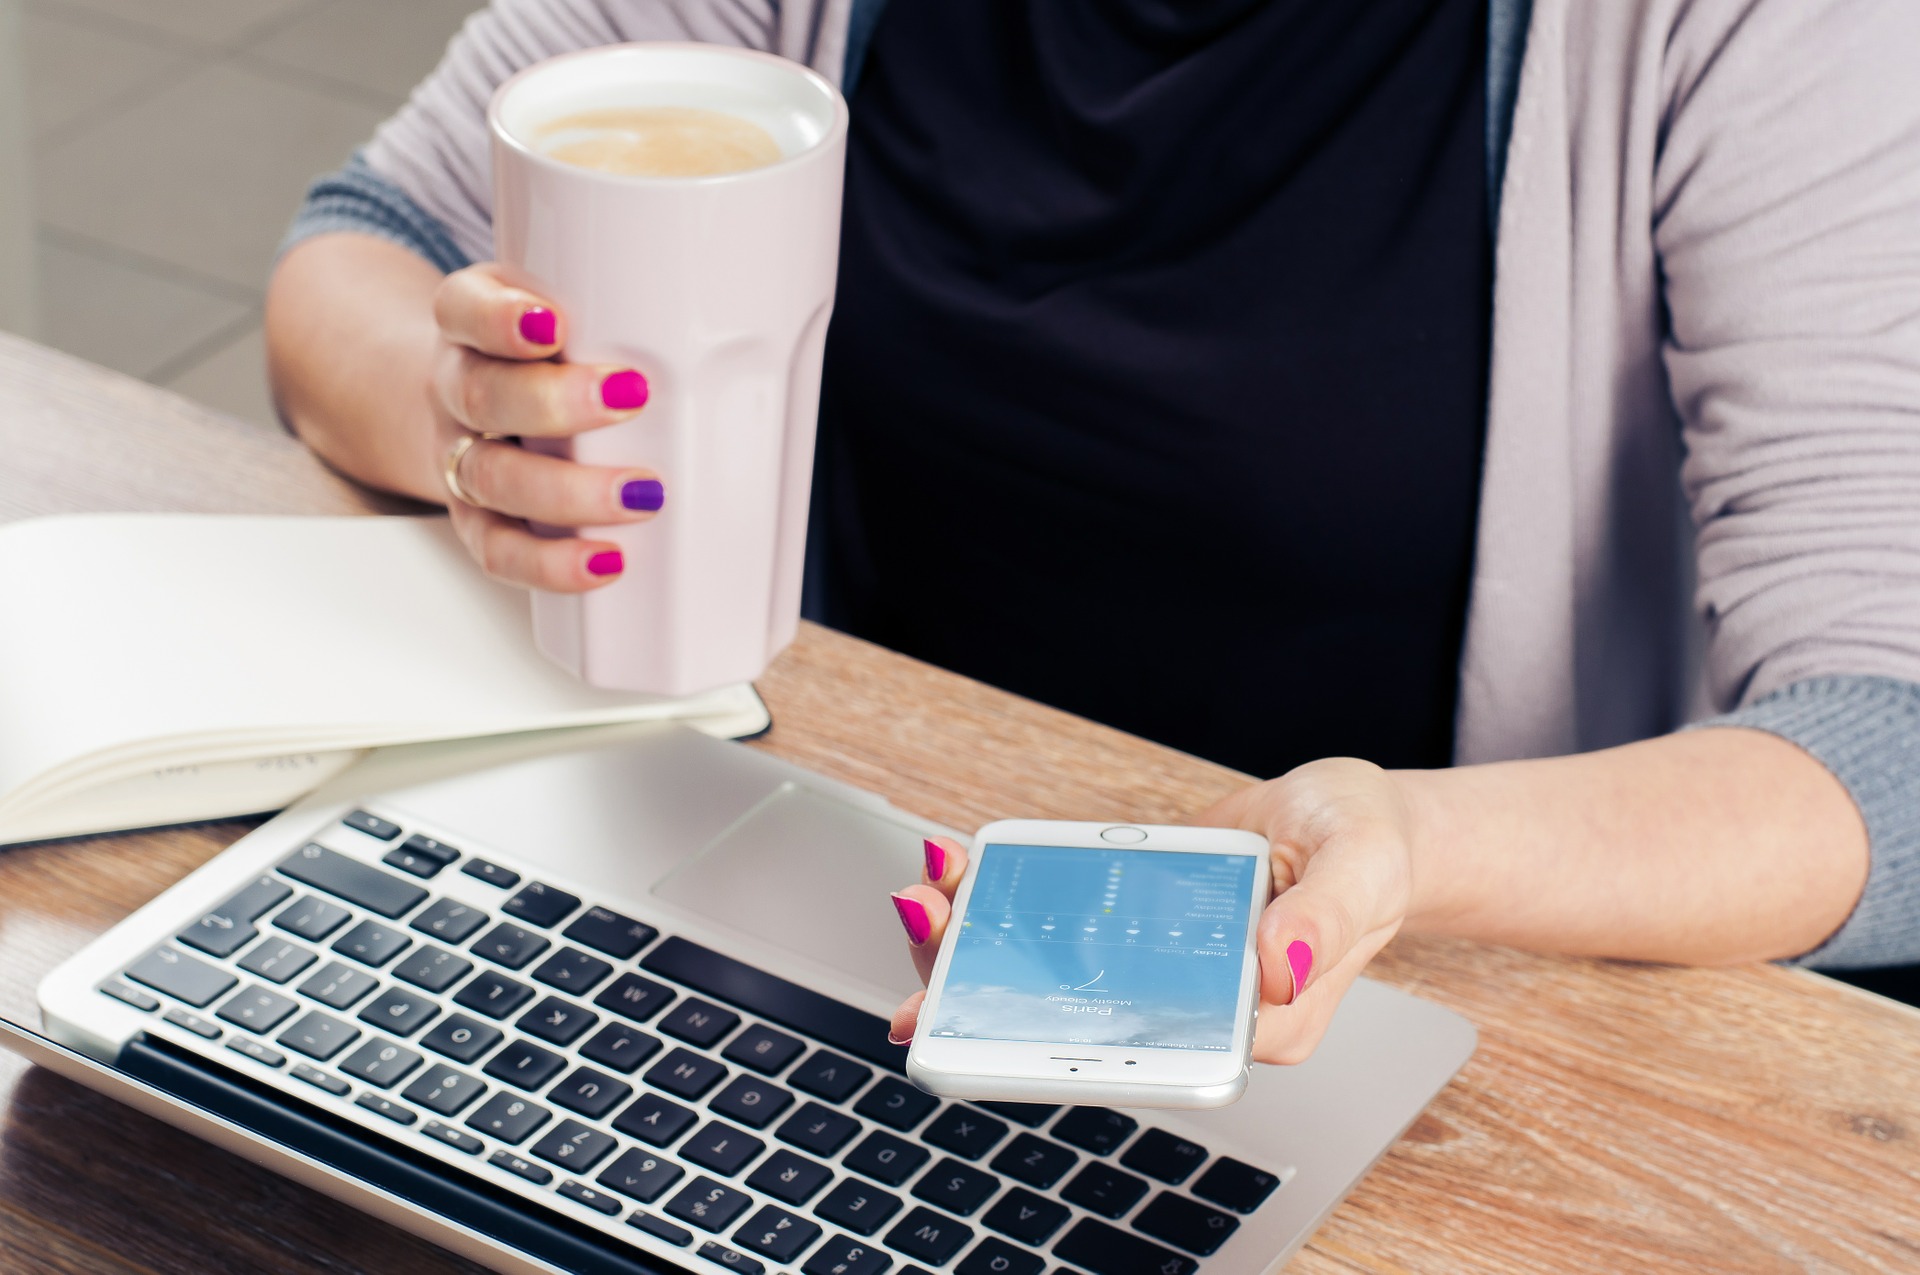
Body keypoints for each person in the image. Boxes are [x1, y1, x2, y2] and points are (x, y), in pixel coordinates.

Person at [266, 0, 1920, 1059]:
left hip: (1388, 1018)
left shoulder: (1752, 28)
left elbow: (1889, 734)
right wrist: (478, 421)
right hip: (806, 911)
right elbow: (359, 249)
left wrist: (1414, 854)